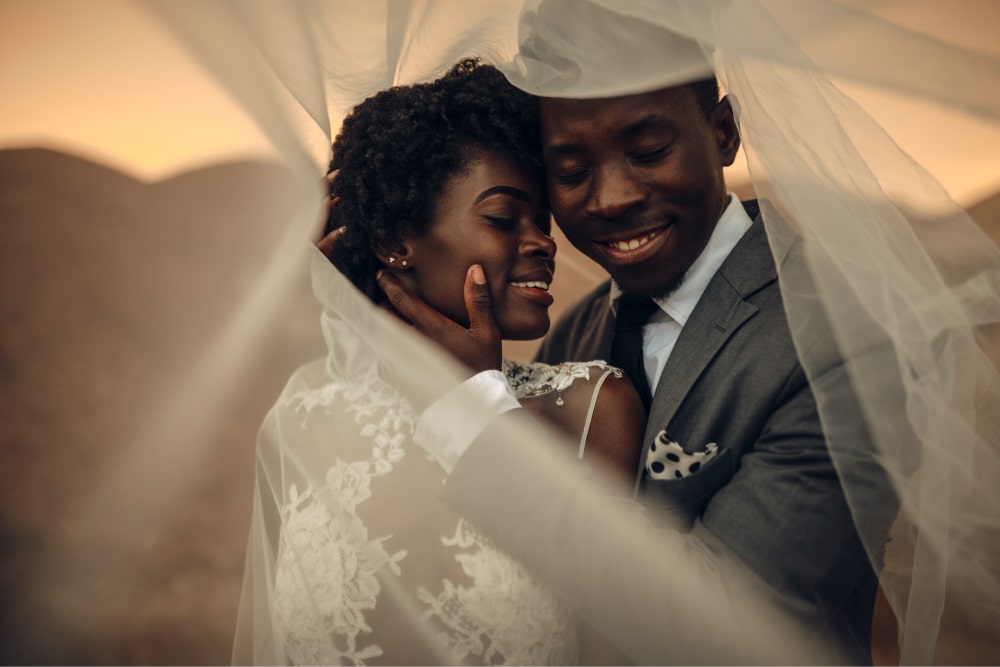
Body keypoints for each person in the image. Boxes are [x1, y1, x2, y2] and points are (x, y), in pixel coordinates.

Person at [375, 19, 898, 667]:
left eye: (648, 150)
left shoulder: (842, 337)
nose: (612, 198)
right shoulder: (578, 329)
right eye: (570, 170)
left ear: (724, 132)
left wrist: (478, 418)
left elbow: (729, 628)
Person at [233, 58, 646, 665]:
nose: (543, 242)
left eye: (542, 221)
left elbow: (619, 636)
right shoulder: (300, 420)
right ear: (396, 243)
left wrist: (476, 394)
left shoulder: (591, 410)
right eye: (504, 218)